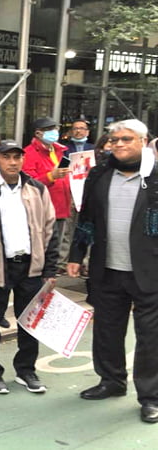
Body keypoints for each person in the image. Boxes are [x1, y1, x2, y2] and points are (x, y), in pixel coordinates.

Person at [67, 119, 158, 424]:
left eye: (126, 139)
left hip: (150, 272)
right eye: (114, 139)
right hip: (107, 269)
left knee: (151, 338)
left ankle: (151, 397)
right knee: (107, 330)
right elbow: (87, 217)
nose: (118, 144)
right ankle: (111, 380)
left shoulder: (155, 177)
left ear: (144, 141)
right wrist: (77, 254)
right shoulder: (99, 174)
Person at [0, 139, 58, 394]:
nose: (13, 162)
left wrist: (50, 270)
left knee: (30, 322)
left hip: (30, 268)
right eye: (6, 157)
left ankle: (26, 370)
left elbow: (50, 229)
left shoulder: (37, 189)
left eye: (17, 157)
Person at [22, 117, 71, 275]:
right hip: (43, 209)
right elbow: (29, 183)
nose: (55, 133)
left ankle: (52, 271)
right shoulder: (29, 153)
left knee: (56, 246)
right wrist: (51, 176)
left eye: (56, 129)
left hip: (62, 205)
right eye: (51, 130)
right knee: (43, 245)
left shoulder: (59, 150)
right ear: (38, 133)